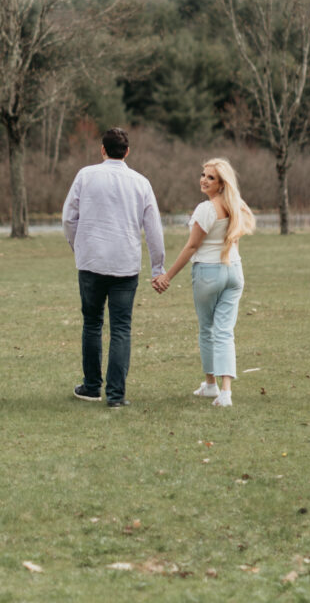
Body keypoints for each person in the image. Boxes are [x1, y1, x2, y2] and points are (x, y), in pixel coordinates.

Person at [62, 127, 165, 408]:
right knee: (121, 328)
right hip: (125, 265)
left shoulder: (85, 176)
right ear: (127, 152)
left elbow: (69, 217)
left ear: (102, 149)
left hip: (91, 262)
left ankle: (92, 387)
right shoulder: (141, 183)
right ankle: (116, 395)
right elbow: (153, 228)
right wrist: (158, 267)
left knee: (92, 323)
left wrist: (78, 246)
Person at [152, 157, 255, 407]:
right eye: (203, 175)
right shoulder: (236, 206)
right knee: (224, 331)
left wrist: (167, 277)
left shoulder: (206, 210)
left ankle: (212, 385)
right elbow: (235, 241)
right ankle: (225, 392)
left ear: (221, 184)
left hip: (209, 273)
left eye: (211, 177)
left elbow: (192, 246)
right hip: (234, 271)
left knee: (208, 330)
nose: (204, 180)